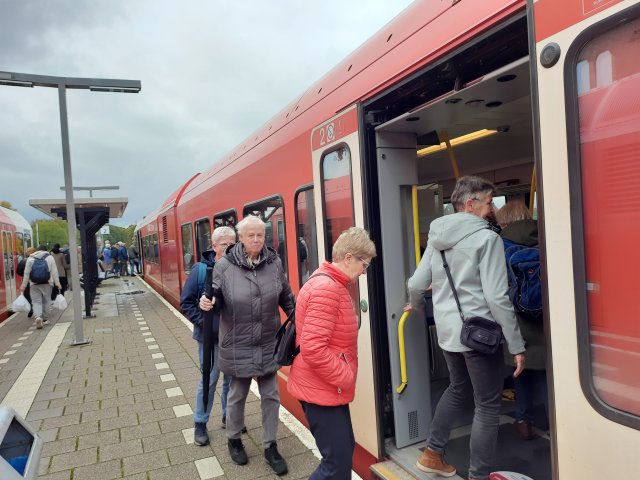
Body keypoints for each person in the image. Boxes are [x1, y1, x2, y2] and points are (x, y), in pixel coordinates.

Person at [406, 176, 526, 480]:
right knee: (486, 405)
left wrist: (417, 305)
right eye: (488, 202)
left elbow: (416, 284)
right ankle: (477, 475)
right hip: (480, 334)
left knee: (457, 388)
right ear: (470, 204)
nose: (491, 209)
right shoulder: (488, 239)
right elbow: (497, 298)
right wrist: (516, 344)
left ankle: (433, 453)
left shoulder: (438, 237)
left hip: (449, 334)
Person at [199, 215, 295, 475]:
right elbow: (215, 296)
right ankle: (234, 439)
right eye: (250, 235)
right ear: (240, 238)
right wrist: (208, 302)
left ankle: (270, 446)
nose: (256, 239)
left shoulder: (274, 263)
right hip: (237, 343)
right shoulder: (224, 266)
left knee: (271, 395)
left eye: (260, 235)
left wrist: (301, 319)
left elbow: (286, 296)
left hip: (267, 341)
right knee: (237, 395)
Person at [288, 227, 376, 480]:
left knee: (342, 451)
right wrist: (345, 376)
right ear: (348, 258)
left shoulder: (332, 284)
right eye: (364, 264)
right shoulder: (328, 289)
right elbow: (314, 348)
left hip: (324, 388)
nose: (363, 271)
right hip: (321, 389)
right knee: (336, 463)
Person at [180, 226, 237, 446]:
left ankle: (228, 417)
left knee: (231, 382)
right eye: (225, 244)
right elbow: (186, 302)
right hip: (210, 339)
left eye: (233, 244)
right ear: (214, 246)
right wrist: (207, 324)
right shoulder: (201, 270)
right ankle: (200, 423)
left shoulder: (237, 268)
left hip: (232, 337)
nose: (230, 248)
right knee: (209, 380)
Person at [496, 202, 547, 440]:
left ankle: (524, 420)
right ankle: (557, 421)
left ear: (504, 223)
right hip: (547, 318)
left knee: (521, 371)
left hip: (517, 321)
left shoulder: (500, 246)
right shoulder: (547, 235)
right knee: (549, 374)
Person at [20, 245, 61, 329]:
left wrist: (23, 285)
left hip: (34, 284)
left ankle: (38, 317)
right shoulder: (50, 257)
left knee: (36, 301)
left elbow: (26, 273)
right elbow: (54, 272)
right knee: (46, 300)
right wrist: (57, 283)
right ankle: (45, 319)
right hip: (48, 282)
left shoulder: (30, 258)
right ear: (46, 250)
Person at [16, 246, 36, 318]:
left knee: (27, 295)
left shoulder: (23, 261)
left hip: (27, 282)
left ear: (28, 253)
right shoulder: (38, 260)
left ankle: (31, 308)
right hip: (37, 281)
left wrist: (23, 275)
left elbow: (18, 271)